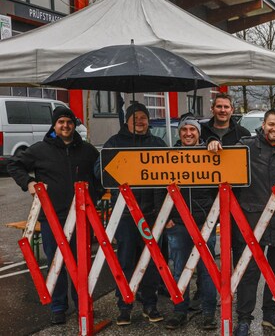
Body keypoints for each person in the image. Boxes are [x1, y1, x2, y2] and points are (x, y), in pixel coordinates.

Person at [7, 106, 100, 325]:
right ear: (54, 125)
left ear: (74, 124)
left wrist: (96, 195)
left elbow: (100, 173)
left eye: (69, 122)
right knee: (56, 263)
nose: (65, 126)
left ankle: (82, 305)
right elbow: (14, 164)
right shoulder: (40, 150)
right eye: (61, 122)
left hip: (81, 217)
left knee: (81, 263)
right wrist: (28, 183)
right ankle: (58, 307)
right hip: (51, 218)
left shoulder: (87, 150)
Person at [231, 109, 275, 336]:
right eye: (271, 124)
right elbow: (223, 163)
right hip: (251, 220)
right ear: (263, 124)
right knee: (249, 271)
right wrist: (213, 142)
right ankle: (244, 318)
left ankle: (270, 313)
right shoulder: (246, 146)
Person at [96, 102, 167, 326]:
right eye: (135, 117)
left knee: (152, 261)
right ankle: (124, 305)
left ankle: (149, 303)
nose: (140, 121)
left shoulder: (157, 144)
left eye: (143, 117)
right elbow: (100, 171)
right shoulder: (114, 143)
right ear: (126, 121)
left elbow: (169, 174)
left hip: (152, 213)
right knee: (125, 260)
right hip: (125, 213)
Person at [164, 117, 218, 330]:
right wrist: (165, 217)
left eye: (192, 130)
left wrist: (214, 217)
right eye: (184, 129)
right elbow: (161, 187)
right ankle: (180, 311)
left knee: (207, 270)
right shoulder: (168, 157)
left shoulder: (210, 154)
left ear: (199, 133)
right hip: (177, 223)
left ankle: (208, 313)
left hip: (205, 222)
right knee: (179, 269)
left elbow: (219, 188)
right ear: (179, 133)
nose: (188, 133)